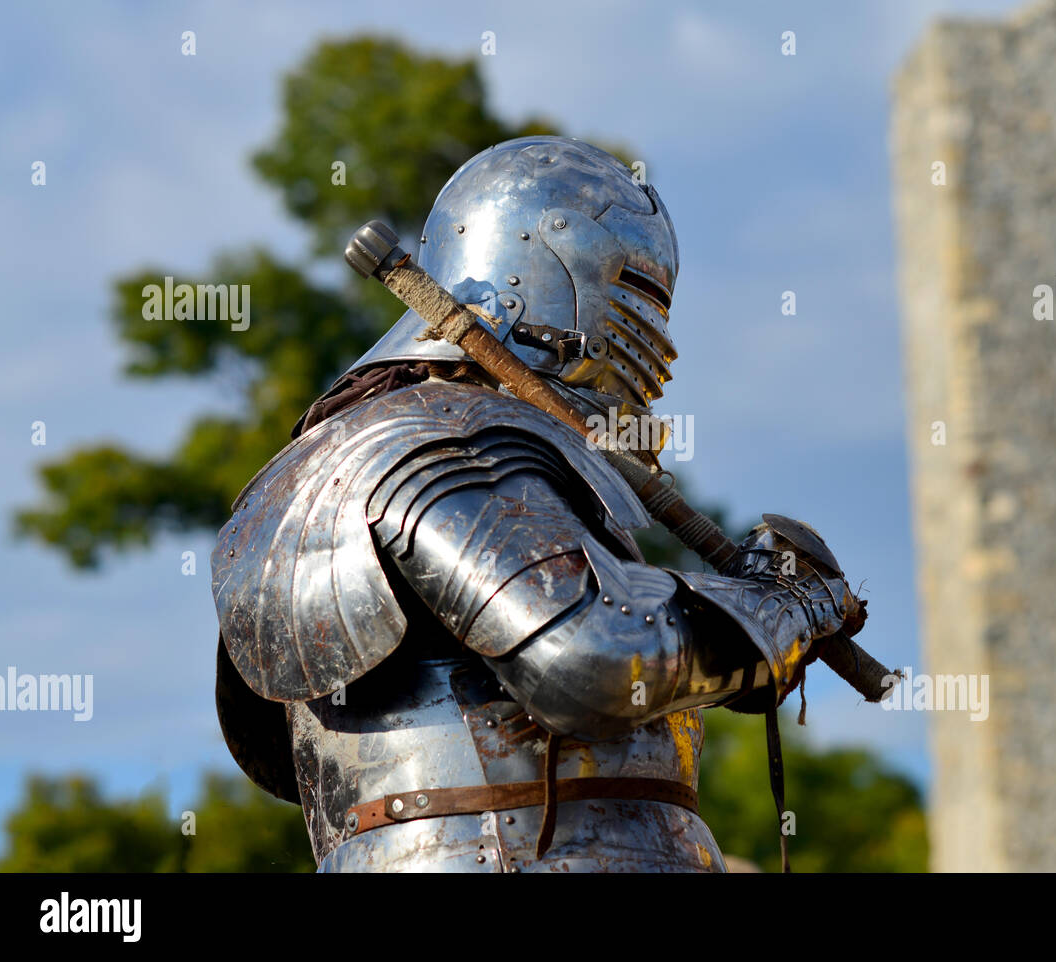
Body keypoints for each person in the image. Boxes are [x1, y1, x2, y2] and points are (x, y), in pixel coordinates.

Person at [212, 136, 857, 872]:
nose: (656, 341)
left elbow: (280, 760)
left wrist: (733, 649)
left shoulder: (336, 459)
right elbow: (595, 659)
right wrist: (786, 607)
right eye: (637, 293)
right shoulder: (447, 434)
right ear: (541, 272)